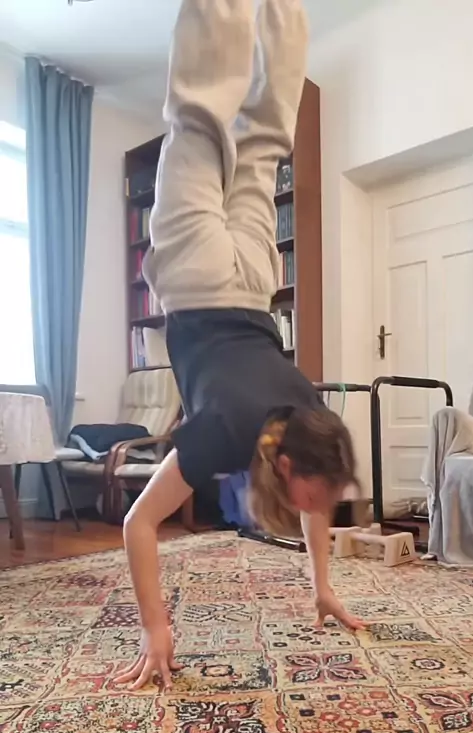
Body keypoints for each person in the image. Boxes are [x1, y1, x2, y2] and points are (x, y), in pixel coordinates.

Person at [116, 0, 366, 693]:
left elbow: (314, 506)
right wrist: (155, 629)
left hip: (256, 281)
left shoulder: (313, 419)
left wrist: (322, 586)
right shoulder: (227, 436)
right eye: (313, 491)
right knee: (198, 116)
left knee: (261, 142)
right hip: (198, 280)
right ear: (284, 464)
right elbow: (138, 524)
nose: (316, 506)